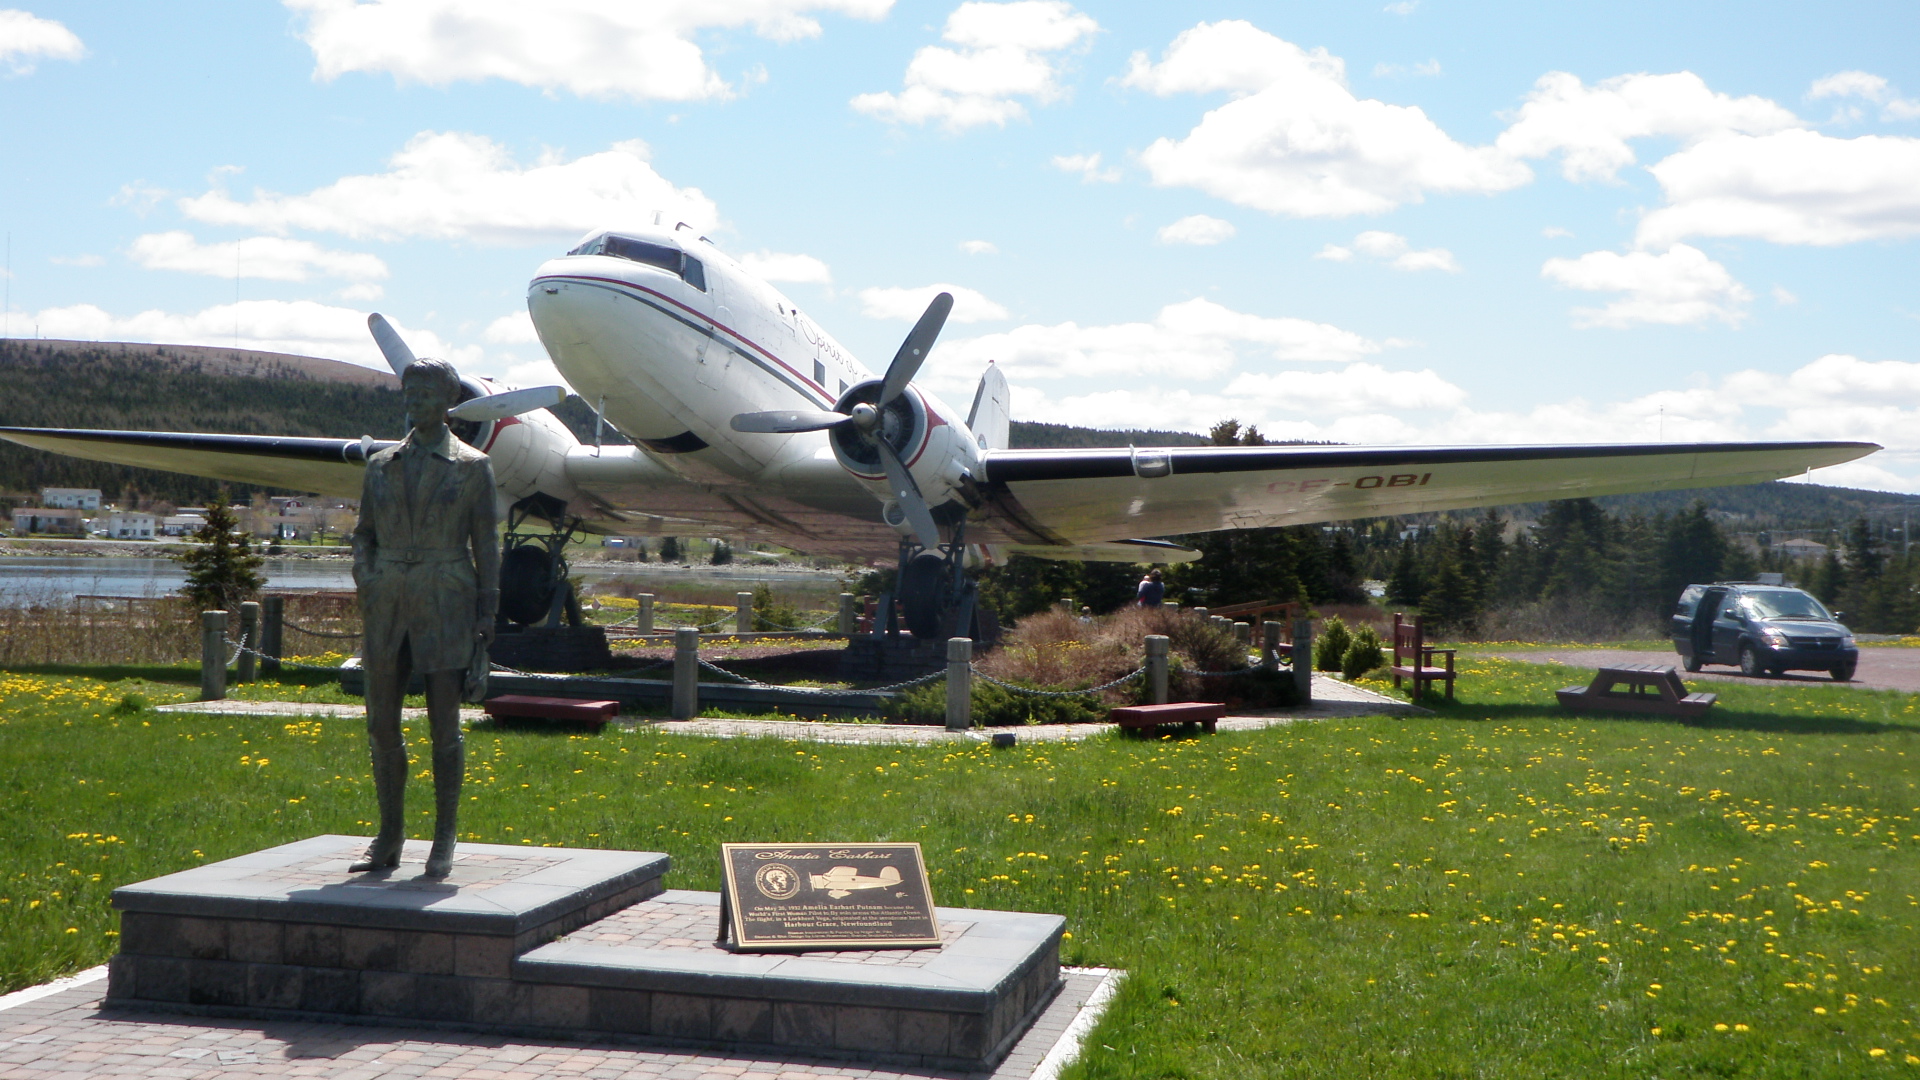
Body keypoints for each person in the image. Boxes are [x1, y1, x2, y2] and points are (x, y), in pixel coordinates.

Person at [349, 358, 500, 878]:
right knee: (380, 724)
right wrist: (367, 578)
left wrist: (488, 612)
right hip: (387, 602)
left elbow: (486, 545)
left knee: (444, 726)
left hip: (445, 600)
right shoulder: (381, 464)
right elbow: (363, 533)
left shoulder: (473, 466)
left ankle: (444, 836)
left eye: (424, 392)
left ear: (446, 401)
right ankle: (389, 834)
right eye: (408, 390)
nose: (413, 399)